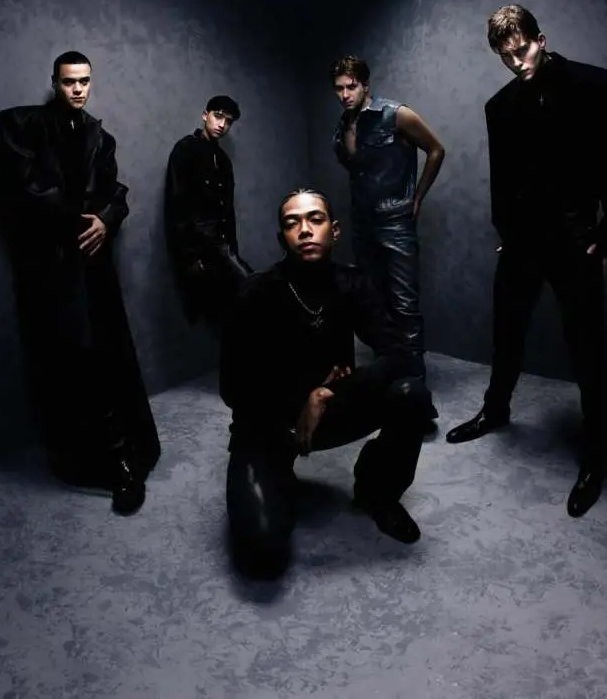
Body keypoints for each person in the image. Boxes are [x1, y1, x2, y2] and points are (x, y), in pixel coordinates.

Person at [446, 5, 607, 517]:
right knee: (507, 332)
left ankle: (596, 459)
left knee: (588, 353)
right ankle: (495, 411)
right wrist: (507, 234)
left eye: (523, 49)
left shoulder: (598, 87)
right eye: (504, 55)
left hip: (578, 242)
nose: (516, 61)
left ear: (541, 38)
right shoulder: (499, 106)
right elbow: (503, 180)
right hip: (523, 244)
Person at [220, 188, 432, 577]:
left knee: (411, 395)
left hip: (330, 412)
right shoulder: (254, 291)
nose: (304, 230)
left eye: (315, 219)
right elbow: (232, 388)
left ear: (334, 231)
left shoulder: (353, 283)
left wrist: (325, 394)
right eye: (292, 223)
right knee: (263, 554)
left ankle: (376, 492)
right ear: (282, 238)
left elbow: (401, 355)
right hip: (265, 426)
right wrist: (296, 403)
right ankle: (278, 476)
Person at [0, 51, 160, 514]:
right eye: (69, 82)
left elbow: (115, 191)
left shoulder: (98, 137)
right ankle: (104, 465)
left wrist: (105, 219)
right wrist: (78, 221)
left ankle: (127, 459)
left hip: (93, 265)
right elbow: (22, 192)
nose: (78, 89)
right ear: (55, 83)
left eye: (85, 81)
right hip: (52, 268)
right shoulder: (23, 125)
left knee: (108, 354)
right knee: (71, 360)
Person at [330, 56, 445, 431]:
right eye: (339, 89)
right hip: (363, 224)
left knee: (404, 307)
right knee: (373, 306)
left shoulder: (396, 114)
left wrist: (417, 198)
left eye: (351, 87)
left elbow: (436, 150)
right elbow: (358, 169)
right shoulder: (344, 125)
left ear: (365, 85)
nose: (345, 95)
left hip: (395, 222)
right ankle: (388, 388)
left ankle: (415, 401)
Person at [165, 95, 252, 328]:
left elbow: (227, 210)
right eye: (218, 116)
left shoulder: (223, 161)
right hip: (200, 246)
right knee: (235, 304)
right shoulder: (185, 149)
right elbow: (176, 204)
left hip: (222, 245)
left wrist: (232, 248)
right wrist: (190, 257)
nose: (222, 125)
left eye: (228, 121)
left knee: (244, 302)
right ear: (206, 115)